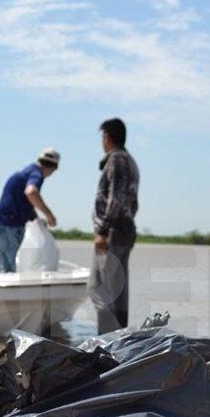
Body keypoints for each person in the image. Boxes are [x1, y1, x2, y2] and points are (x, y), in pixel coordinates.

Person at [90, 117, 139, 334]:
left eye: (103, 136)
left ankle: (107, 339)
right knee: (117, 292)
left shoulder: (117, 160)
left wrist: (102, 230)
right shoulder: (130, 161)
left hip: (112, 234)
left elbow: (116, 198)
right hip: (123, 232)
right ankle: (118, 339)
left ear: (108, 137)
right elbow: (133, 204)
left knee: (101, 289)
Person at [0, 148, 60, 273]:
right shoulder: (36, 174)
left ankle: (6, 289)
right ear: (53, 167)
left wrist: (34, 218)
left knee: (6, 263)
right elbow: (31, 192)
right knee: (15, 263)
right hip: (9, 224)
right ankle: (16, 290)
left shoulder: (26, 171)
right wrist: (49, 215)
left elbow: (22, 201)